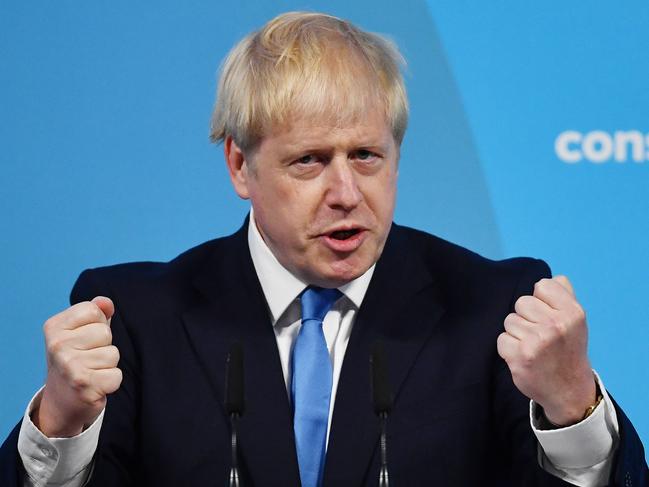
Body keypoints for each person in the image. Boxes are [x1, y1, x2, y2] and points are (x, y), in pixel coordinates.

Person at [1, 11, 647, 487]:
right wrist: (58, 424)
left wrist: (570, 409)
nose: (345, 192)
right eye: (309, 161)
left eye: (366, 155)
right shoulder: (134, 319)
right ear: (239, 165)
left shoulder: (493, 309)